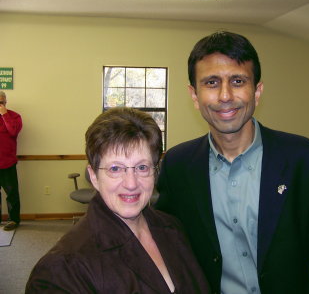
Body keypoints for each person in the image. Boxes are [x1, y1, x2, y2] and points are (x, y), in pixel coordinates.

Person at [156, 31, 309, 294]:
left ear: (257, 91)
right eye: (211, 82)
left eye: (237, 81)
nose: (225, 96)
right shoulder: (178, 166)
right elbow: (171, 248)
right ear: (194, 95)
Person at [26, 107, 210, 294]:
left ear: (155, 171)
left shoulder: (173, 228)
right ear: (94, 176)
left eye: (142, 167)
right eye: (115, 169)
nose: (131, 183)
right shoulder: (62, 270)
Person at [0, 91, 22, 231]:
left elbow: (13, 132)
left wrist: (4, 115)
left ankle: (14, 220)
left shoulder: (14, 116)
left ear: (5, 102)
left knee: (12, 193)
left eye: (1, 102)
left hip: (7, 162)